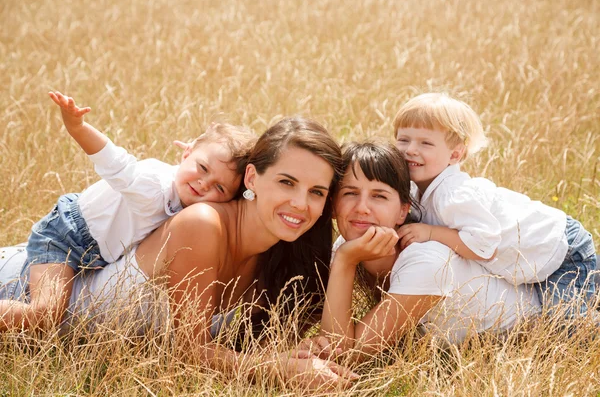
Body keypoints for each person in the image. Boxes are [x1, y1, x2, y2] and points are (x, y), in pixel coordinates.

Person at [0, 117, 358, 388]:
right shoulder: (203, 224)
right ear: (251, 179)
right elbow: (186, 351)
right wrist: (276, 369)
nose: (300, 203)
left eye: (316, 191)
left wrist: (344, 262)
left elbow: (317, 341)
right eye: (286, 182)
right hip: (17, 287)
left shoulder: (282, 260)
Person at [0, 91, 257, 331]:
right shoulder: (151, 184)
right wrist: (77, 127)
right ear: (186, 154)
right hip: (66, 236)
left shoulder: (194, 203)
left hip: (99, 252)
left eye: (219, 188)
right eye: (202, 168)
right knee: (45, 314)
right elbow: (114, 161)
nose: (204, 184)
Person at [321, 141, 542, 359]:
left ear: (402, 211)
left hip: (529, 335)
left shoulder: (426, 263)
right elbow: (334, 343)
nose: (362, 208)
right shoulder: (348, 245)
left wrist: (345, 262)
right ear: (333, 204)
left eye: (379, 196)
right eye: (350, 193)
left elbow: (346, 354)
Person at [393, 93, 597, 318]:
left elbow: (484, 245)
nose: (410, 149)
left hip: (562, 252)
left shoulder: (453, 194)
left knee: (567, 329)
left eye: (426, 143)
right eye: (403, 140)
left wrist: (431, 232)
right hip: (536, 258)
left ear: (455, 154)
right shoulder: (416, 190)